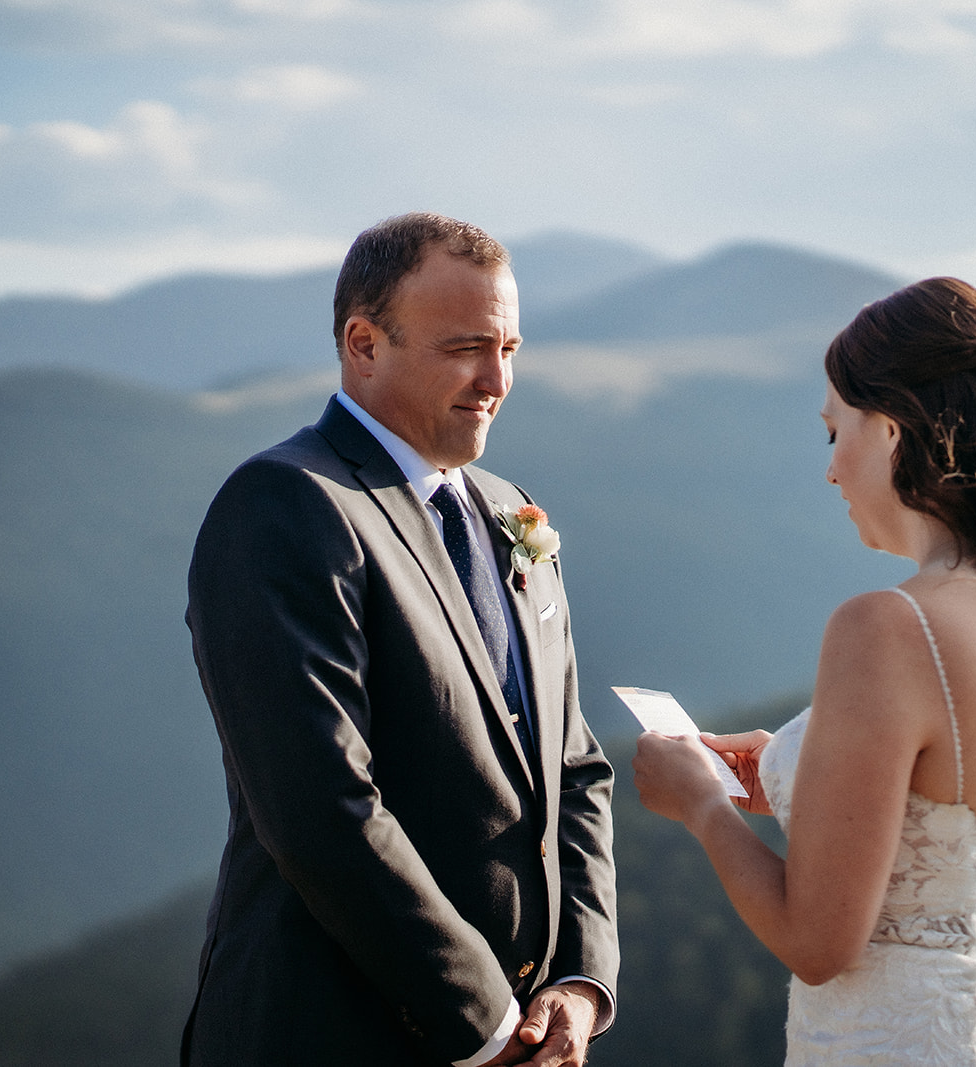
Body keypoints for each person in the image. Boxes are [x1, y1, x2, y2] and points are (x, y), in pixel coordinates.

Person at [632, 277, 976, 1065]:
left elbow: (818, 944)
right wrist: (795, 774)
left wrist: (702, 804)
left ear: (890, 429)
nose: (830, 470)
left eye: (833, 432)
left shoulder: (887, 627)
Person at [181, 213, 619, 1066]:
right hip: (330, 1036)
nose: (497, 379)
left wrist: (579, 978)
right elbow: (322, 808)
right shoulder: (285, 504)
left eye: (509, 348)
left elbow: (573, 769)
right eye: (466, 348)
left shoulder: (508, 508)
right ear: (364, 343)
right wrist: (485, 1022)